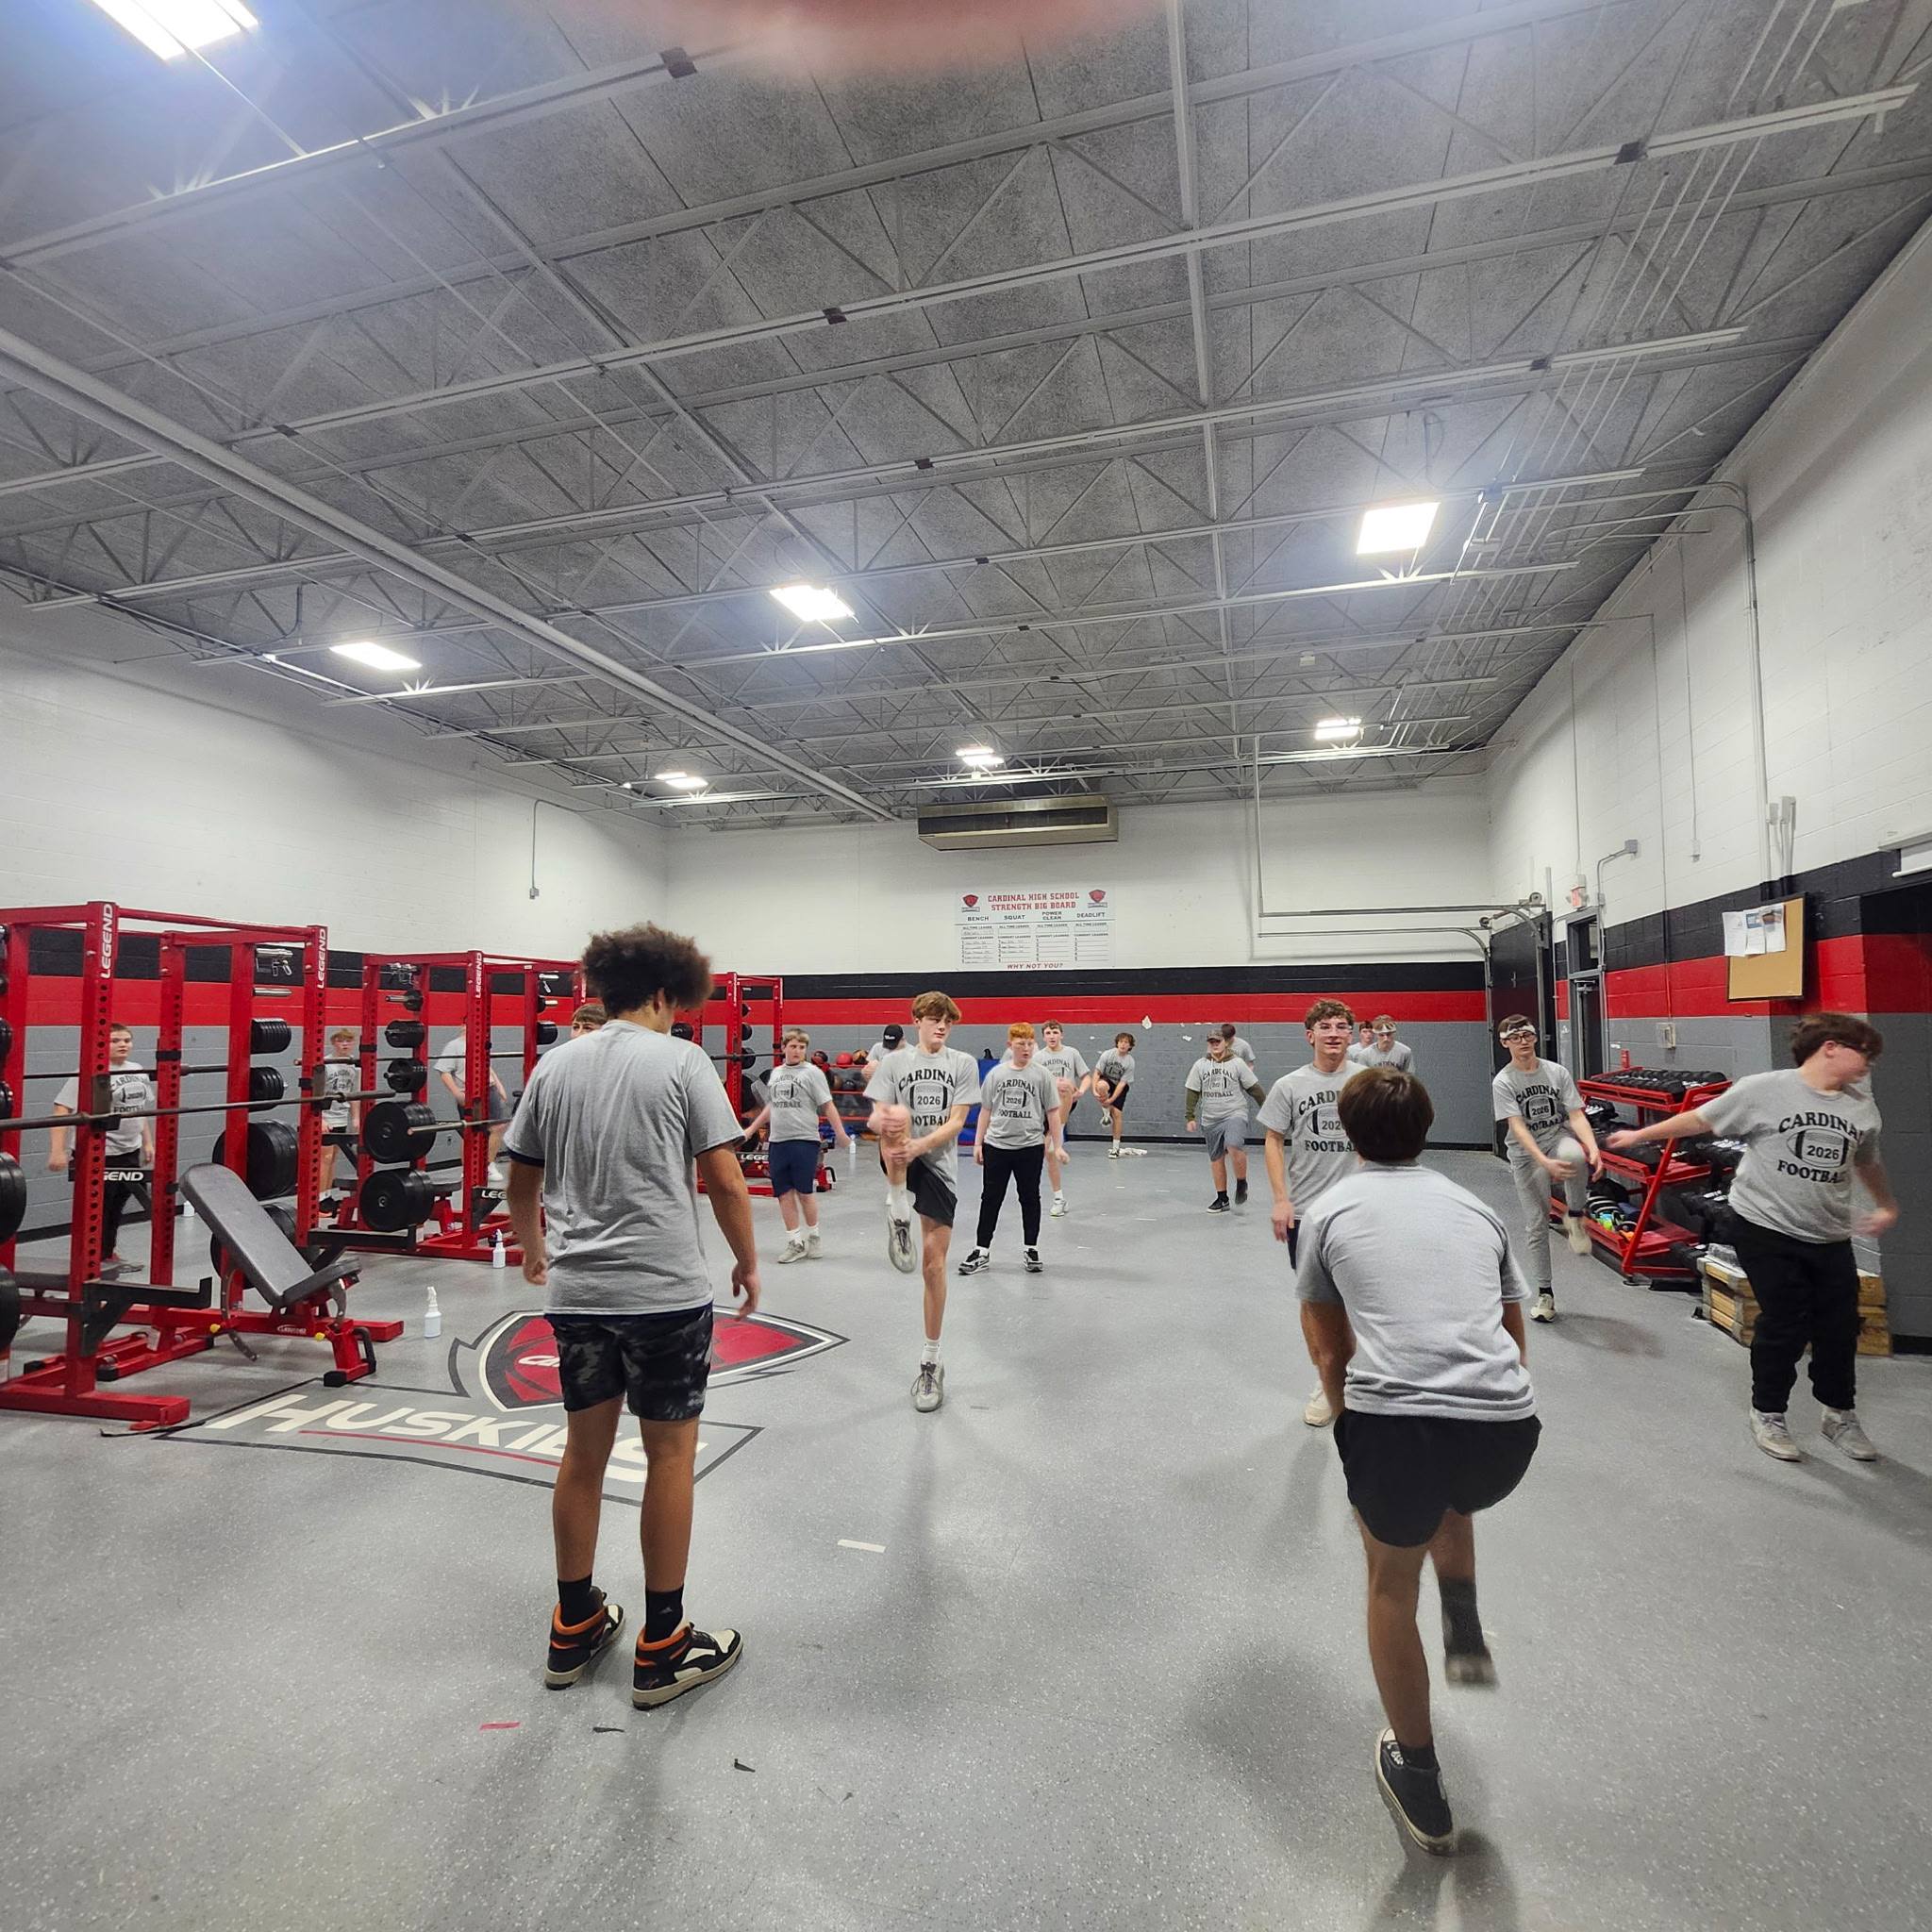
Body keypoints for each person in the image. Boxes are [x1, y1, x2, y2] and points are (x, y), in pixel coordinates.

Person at [501, 922, 758, 1710]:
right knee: (670, 1459)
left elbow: (520, 1177)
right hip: (663, 1297)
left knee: (582, 1456)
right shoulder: (681, 1062)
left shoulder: (555, 1064)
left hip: (578, 1296)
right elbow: (724, 1179)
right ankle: (664, 1646)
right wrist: (747, 1262)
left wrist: (534, 1248)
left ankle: (573, 1625)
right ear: (663, 993)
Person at [1298, 1066, 1539, 1857]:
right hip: (1506, 1434)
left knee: (1388, 1579)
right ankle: (1463, 1621)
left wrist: (1351, 1429)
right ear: (1428, 1129)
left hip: (1399, 1429)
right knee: (1452, 1497)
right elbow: (1512, 1335)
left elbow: (1329, 1351)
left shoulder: (1328, 1212)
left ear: (1348, 1132)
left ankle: (1419, 1774)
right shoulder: (1476, 1207)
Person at [1607, 1012, 1898, 1464]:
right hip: (1766, 1227)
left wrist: (1885, 1204)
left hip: (1829, 1233)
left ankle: (1838, 1414)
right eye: (1865, 1054)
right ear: (1831, 1048)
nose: (1869, 1064)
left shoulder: (1861, 1108)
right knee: (1785, 1322)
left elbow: (1866, 1161)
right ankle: (1768, 1412)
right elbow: (1700, 1119)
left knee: (1840, 1327)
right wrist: (1640, 1134)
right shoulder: (1764, 1089)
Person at [865, 991, 981, 1412]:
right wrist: (887, 1122)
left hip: (937, 1164)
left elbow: (957, 1122)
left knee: (933, 1266)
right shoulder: (894, 1062)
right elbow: (875, 1117)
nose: (942, 1026)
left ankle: (931, 1361)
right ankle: (897, 1208)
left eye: (947, 1020)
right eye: (934, 1019)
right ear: (917, 1021)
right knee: (896, 1118)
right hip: (899, 1154)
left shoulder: (962, 1064)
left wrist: (920, 1146)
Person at [1258, 998, 1364, 1427]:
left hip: (1359, 1208)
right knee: (1316, 1300)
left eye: (1341, 1026)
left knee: (1361, 1296)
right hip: (1307, 1212)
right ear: (1310, 1035)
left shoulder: (1367, 1081)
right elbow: (1272, 1140)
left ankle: (1358, 1376)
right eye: (1325, 1027)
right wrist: (1281, 1200)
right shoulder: (1289, 1086)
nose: (1333, 1033)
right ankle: (1326, 1379)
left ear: (1351, 1034)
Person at [1491, 1016, 1602, 1324]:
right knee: (1536, 1223)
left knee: (1574, 1154)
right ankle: (1545, 1293)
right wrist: (1542, 1161)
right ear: (1505, 1043)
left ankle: (1575, 1216)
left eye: (1527, 1035)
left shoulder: (1556, 1072)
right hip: (1525, 1155)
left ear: (1535, 1038)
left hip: (1555, 1138)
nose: (1523, 1042)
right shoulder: (1504, 1081)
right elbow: (1517, 1126)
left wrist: (1592, 1147)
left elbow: (1576, 1115)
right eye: (1515, 1038)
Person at [49, 1021, 154, 1275]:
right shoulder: (89, 1071)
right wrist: (57, 1150)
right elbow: (62, 1108)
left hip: (130, 1151)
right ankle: (91, 1259)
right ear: (101, 1045)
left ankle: (106, 1253)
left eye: (126, 1040)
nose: (122, 1045)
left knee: (118, 1205)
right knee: (98, 1207)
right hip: (99, 1153)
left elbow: (139, 1110)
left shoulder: (138, 1070)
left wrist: (148, 1142)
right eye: (115, 1041)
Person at [740, 1028, 850, 1262]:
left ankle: (814, 1237)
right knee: (783, 1193)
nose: (797, 1051)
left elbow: (827, 1105)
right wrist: (751, 1129)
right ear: (784, 1048)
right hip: (778, 1141)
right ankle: (795, 1242)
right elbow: (771, 1107)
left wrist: (840, 1133)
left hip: (804, 1140)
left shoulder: (813, 1074)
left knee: (805, 1192)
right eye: (793, 1046)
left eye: (801, 1047)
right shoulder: (777, 1074)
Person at [959, 1022, 1060, 1276]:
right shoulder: (996, 1074)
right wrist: (978, 1143)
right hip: (997, 1146)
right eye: (1020, 1044)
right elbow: (985, 1110)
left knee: (1030, 1197)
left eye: (1030, 1044)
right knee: (991, 1198)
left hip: (1030, 1147)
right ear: (1010, 1045)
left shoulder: (1042, 1075)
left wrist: (1057, 1145)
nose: (1026, 1049)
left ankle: (1031, 1248)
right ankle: (981, 1250)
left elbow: (1052, 1112)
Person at [1185, 1032, 1266, 1212]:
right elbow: (1192, 1091)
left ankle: (1241, 1182)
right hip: (1210, 1117)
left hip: (1234, 1113)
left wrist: (1266, 1109)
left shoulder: (1237, 1063)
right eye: (1211, 1042)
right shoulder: (1200, 1065)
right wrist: (1189, 1116)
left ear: (1225, 1043)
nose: (1215, 1045)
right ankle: (1222, 1198)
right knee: (1216, 1158)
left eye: (1218, 1041)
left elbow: (1253, 1088)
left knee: (1233, 1144)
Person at [437, 1028, 511, 1187]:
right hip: (468, 1092)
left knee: (498, 1126)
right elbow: (444, 1071)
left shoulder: (481, 1043)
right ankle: (468, 1169)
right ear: (462, 1026)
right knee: (470, 1131)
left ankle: (488, 1165)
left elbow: (488, 1067)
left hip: (489, 1089)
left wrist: (499, 1086)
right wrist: (457, 1093)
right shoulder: (454, 1046)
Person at [1030, 1021, 1091, 1216]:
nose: (1052, 1036)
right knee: (1047, 1154)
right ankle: (1059, 1198)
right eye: (1048, 1033)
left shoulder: (1071, 1053)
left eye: (1055, 1032)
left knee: (1064, 1086)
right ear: (1044, 1037)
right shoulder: (1038, 1057)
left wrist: (1081, 1090)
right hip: (1043, 1105)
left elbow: (1086, 1077)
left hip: (1065, 1100)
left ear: (1061, 1035)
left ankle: (1058, 1134)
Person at [316, 1025, 360, 1208]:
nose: (345, 1044)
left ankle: (327, 1195)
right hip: (327, 1118)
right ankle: (318, 1200)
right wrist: (321, 1119)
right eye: (341, 1041)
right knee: (324, 1158)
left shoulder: (354, 1066)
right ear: (333, 1043)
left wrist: (355, 1117)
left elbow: (354, 1094)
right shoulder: (326, 1064)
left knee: (333, 1157)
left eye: (348, 1041)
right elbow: (316, 1094)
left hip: (341, 1117)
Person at [1093, 1031, 1141, 1157]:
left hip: (1120, 1084)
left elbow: (1122, 1084)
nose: (1123, 1044)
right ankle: (1106, 1113)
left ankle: (1115, 1148)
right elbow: (1097, 1073)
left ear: (1130, 1046)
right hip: (1107, 1080)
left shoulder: (1130, 1062)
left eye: (1126, 1042)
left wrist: (1111, 1100)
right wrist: (1094, 1090)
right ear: (1117, 1043)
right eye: (1121, 1042)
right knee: (1101, 1086)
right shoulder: (1107, 1054)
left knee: (1117, 1114)